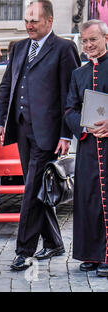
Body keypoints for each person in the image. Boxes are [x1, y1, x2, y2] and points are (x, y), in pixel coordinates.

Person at [0, 0, 81, 271]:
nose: (29, 25)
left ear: (50, 21)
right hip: (22, 129)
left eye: (35, 20)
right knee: (40, 186)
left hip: (49, 134)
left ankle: (24, 250)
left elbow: (72, 94)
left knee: (31, 189)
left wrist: (66, 134)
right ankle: (54, 242)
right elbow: (8, 85)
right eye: (27, 20)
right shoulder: (19, 47)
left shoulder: (64, 48)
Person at [65, 20, 108, 277]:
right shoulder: (78, 74)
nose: (89, 45)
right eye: (85, 41)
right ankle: (92, 253)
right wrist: (83, 128)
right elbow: (70, 109)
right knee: (89, 199)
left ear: (106, 38)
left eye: (93, 39)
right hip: (89, 147)